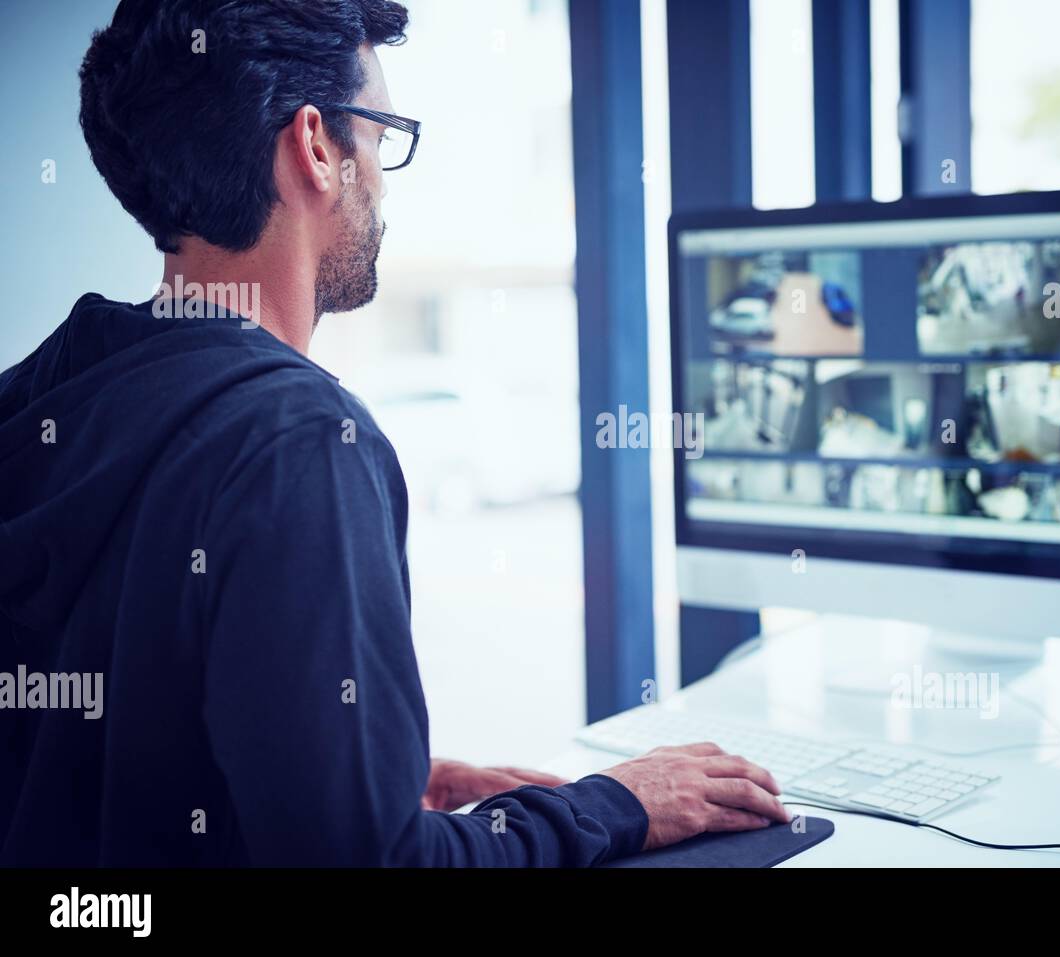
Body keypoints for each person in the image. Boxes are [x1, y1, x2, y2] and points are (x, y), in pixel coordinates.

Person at [0, 0, 788, 866]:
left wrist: (350, 776)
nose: (382, 171)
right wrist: (617, 805)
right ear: (314, 148)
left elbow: (102, 766)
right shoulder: (298, 440)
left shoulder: (45, 390)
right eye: (378, 131)